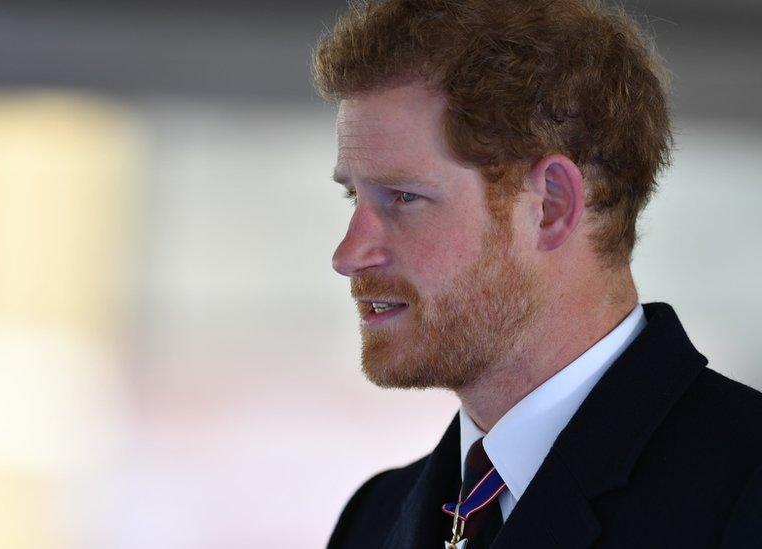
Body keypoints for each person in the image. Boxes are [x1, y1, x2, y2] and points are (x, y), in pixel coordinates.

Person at [312, 0, 762, 547]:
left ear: (550, 205)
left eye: (403, 197)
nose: (348, 254)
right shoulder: (372, 520)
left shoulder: (744, 493)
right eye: (352, 196)